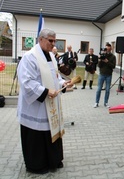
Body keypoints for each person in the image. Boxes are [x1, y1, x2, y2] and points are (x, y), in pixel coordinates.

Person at [17, 28, 73, 174]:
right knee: (37, 136)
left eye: (55, 41)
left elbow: (55, 77)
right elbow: (26, 82)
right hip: (36, 106)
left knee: (51, 133)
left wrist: (63, 84)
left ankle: (53, 160)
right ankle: (37, 165)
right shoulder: (30, 57)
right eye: (50, 40)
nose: (53, 44)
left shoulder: (51, 56)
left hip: (50, 105)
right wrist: (46, 91)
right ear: (40, 39)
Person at [94, 43, 116, 108]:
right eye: (106, 49)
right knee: (99, 89)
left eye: (108, 49)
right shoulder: (102, 55)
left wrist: (107, 61)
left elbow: (113, 66)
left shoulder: (113, 56)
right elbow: (99, 66)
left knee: (107, 90)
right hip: (102, 74)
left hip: (109, 74)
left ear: (111, 49)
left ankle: (106, 103)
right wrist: (100, 59)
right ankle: (96, 102)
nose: (107, 50)